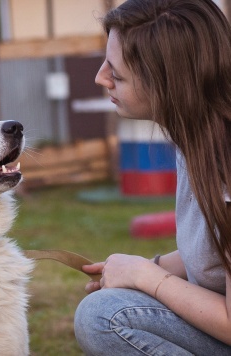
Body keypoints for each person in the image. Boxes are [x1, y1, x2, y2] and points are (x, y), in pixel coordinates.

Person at [74, 0, 231, 355]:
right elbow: (215, 253)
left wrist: (148, 279)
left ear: (168, 83)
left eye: (116, 72)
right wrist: (145, 268)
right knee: (114, 302)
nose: (101, 77)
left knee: (105, 317)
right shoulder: (198, 140)